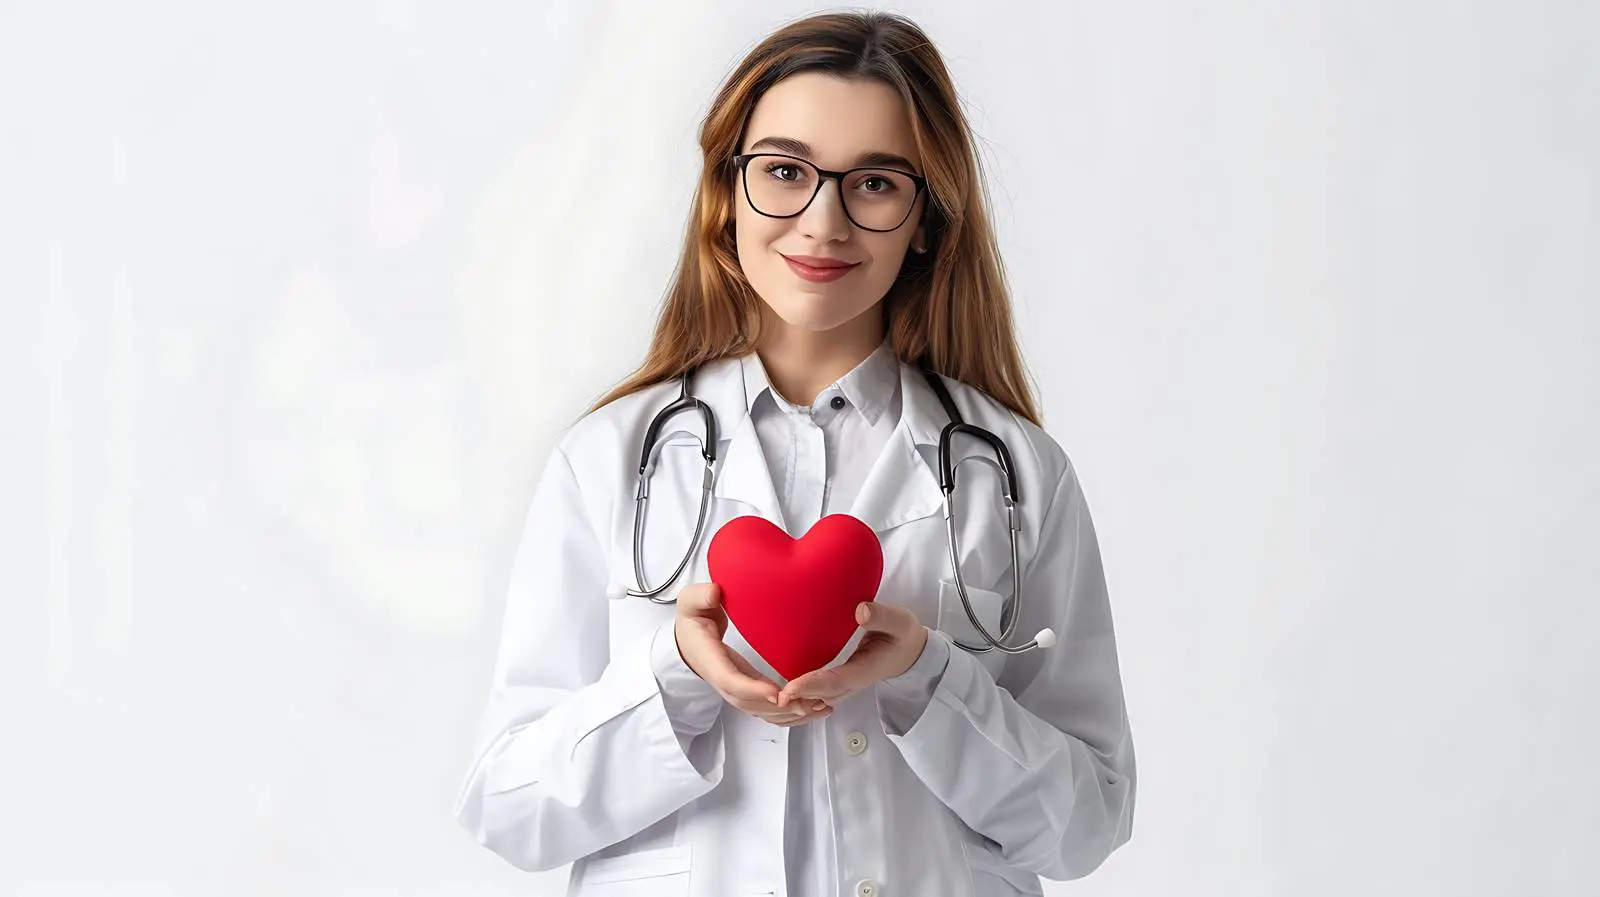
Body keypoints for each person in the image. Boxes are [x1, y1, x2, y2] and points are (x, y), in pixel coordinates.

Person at [454, 11, 1136, 896]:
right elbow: (511, 807)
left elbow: (1086, 827)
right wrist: (674, 676)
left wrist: (928, 679)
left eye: (876, 184)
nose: (823, 222)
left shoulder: (1014, 475)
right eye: (784, 171)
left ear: (926, 218)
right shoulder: (610, 460)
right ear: (726, 194)